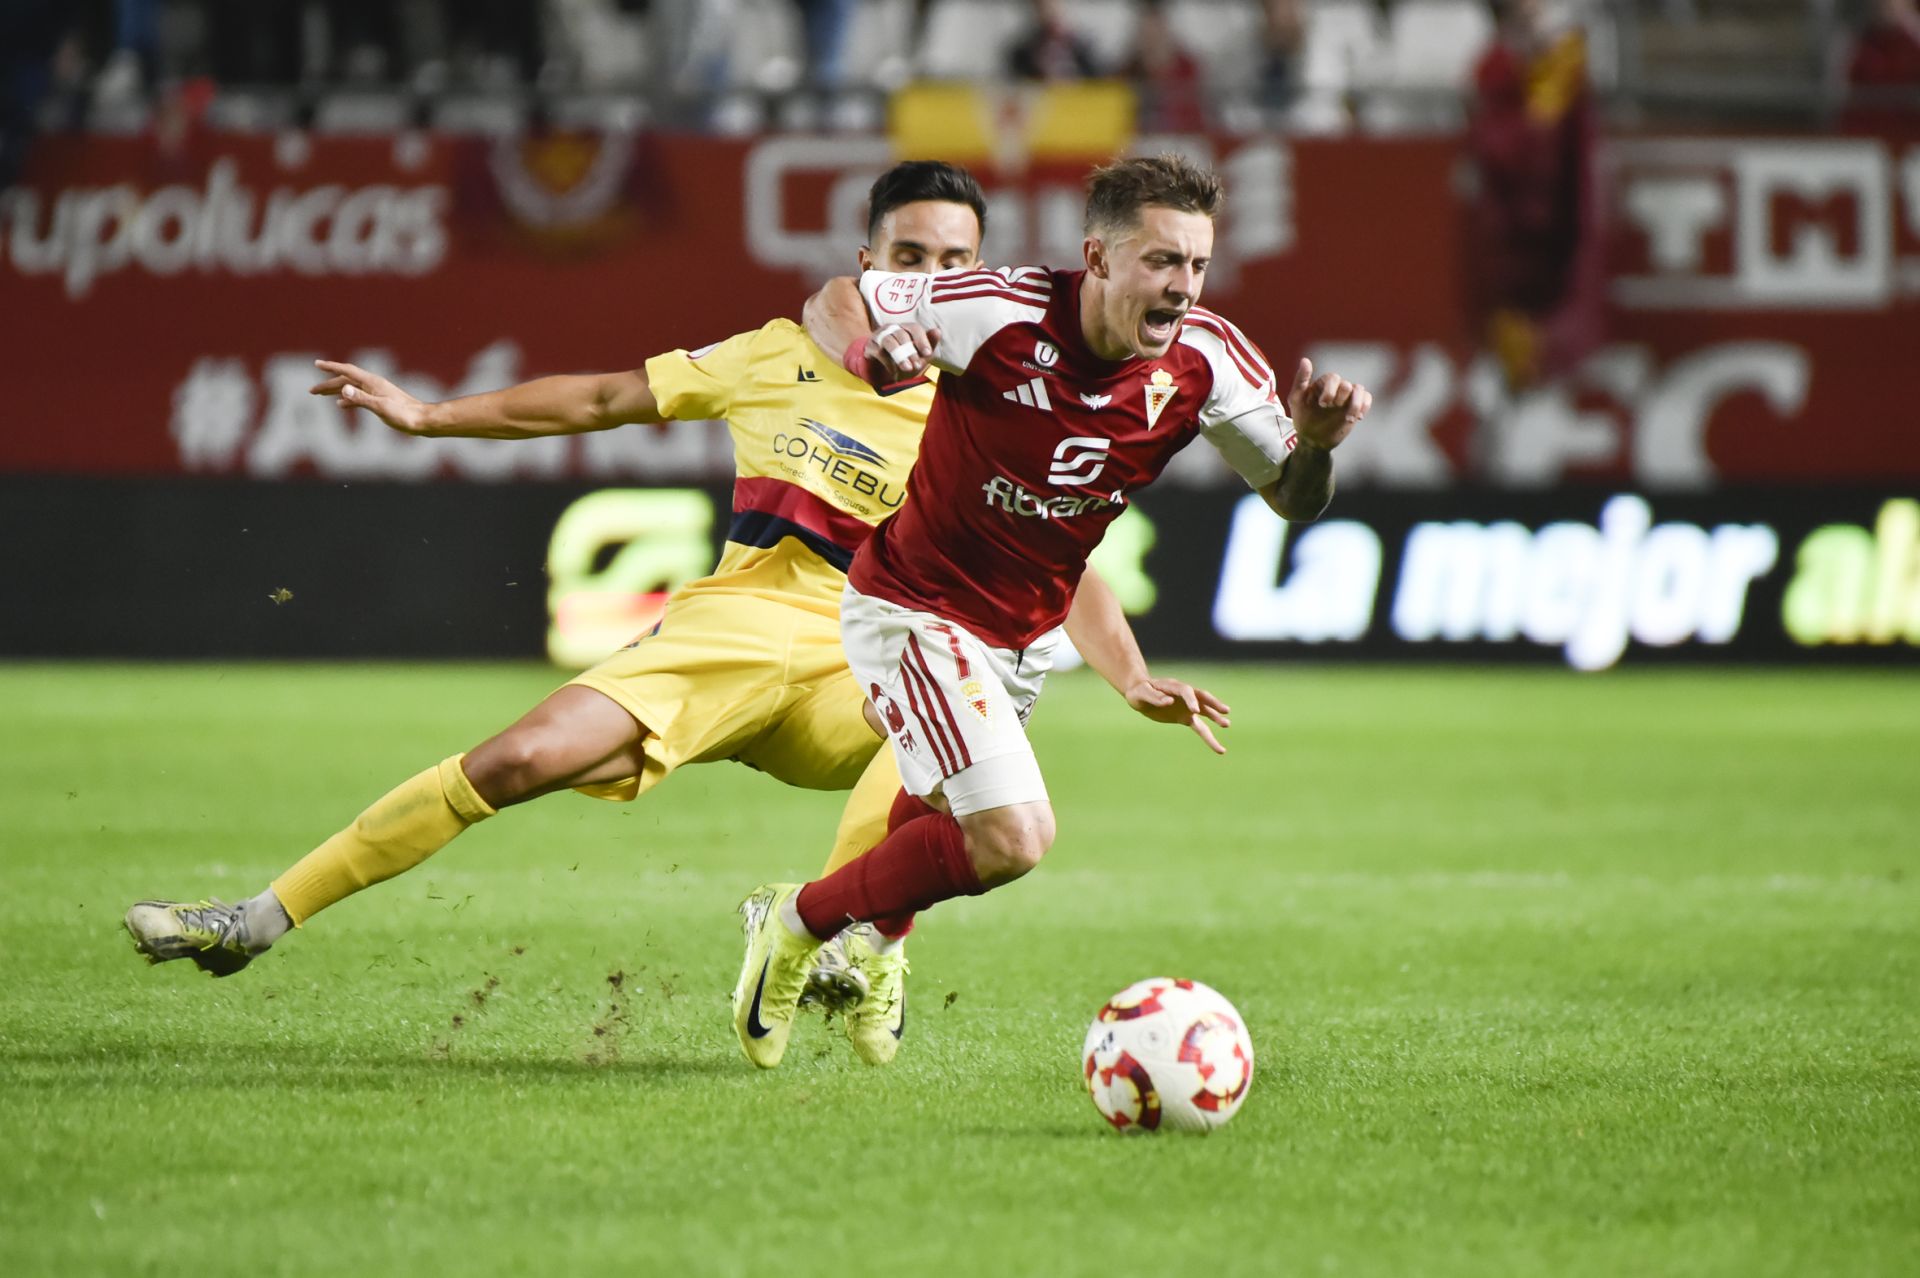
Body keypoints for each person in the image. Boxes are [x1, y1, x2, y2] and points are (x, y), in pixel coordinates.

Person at [122, 160, 1216, 1068]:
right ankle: (257, 918)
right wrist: (429, 415)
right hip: (729, 633)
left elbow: (1062, 565)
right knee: (515, 761)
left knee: (952, 713)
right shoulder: (775, 355)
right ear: (868, 265)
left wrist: (1130, 677)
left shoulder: (992, 392)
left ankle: (860, 938)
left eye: (956, 261)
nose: (933, 277)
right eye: (910, 257)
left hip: (874, 656)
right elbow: (603, 398)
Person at [730, 153, 1370, 1069]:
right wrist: (878, 353)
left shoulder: (1209, 362)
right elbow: (836, 298)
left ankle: (874, 941)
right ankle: (798, 920)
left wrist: (1312, 445)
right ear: (1098, 259)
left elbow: (1295, 499)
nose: (1183, 287)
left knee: (935, 806)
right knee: (1013, 834)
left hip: (1024, 631)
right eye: (1161, 262)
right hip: (913, 607)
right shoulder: (994, 309)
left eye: (1196, 265)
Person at [1466, 0, 1602, 395]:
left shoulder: (1565, 59)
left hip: (1557, 232)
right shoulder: (1495, 66)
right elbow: (1499, 146)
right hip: (1507, 242)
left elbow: (1574, 160)